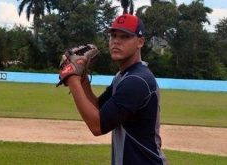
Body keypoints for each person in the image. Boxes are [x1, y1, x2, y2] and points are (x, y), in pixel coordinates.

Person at [64, 14, 168, 165]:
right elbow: (98, 108)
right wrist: (82, 76)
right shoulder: (123, 76)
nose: (116, 41)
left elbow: (97, 126)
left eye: (125, 36)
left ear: (140, 42)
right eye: (113, 36)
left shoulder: (136, 81)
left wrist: (72, 80)